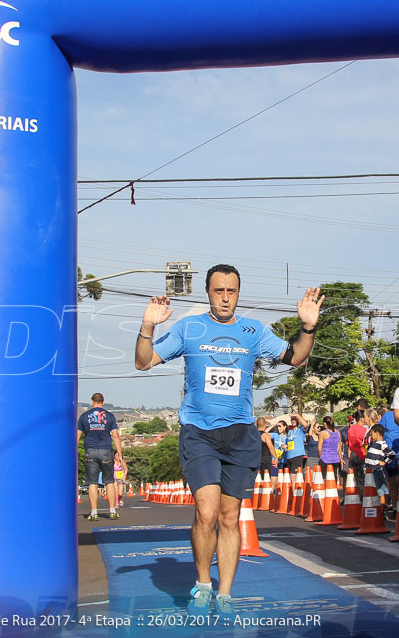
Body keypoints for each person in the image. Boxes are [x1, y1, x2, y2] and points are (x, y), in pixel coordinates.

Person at [134, 263, 322, 616]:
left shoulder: (253, 331)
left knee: (229, 516)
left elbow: (295, 357)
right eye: (218, 290)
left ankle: (225, 593)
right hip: (200, 433)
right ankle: (203, 583)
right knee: (206, 512)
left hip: (241, 435)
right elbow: (144, 362)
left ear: (238, 293)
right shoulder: (189, 328)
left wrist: (308, 326)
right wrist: (147, 326)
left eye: (231, 291)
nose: (224, 297)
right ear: (208, 292)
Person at [76, 393, 123, 521]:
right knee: (109, 482)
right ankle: (112, 511)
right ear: (103, 402)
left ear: (92, 401)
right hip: (106, 451)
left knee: (92, 482)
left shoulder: (84, 417)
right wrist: (119, 454)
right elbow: (115, 436)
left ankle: (94, 512)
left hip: (90, 451)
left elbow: (78, 436)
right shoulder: (110, 416)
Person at [364, 424, 395, 509]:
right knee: (376, 488)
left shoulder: (382, 444)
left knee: (379, 489)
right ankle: (381, 506)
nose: (371, 435)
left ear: (377, 433)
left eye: (372, 433)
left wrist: (385, 462)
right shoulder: (374, 444)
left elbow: (392, 454)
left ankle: (381, 507)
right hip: (371, 470)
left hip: (376, 470)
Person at [316, 415, 341, 483]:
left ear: (325, 424)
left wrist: (319, 457)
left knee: (323, 478)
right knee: (333, 478)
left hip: (325, 458)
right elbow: (339, 447)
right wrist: (340, 458)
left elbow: (319, 448)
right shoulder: (338, 433)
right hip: (335, 459)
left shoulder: (323, 433)